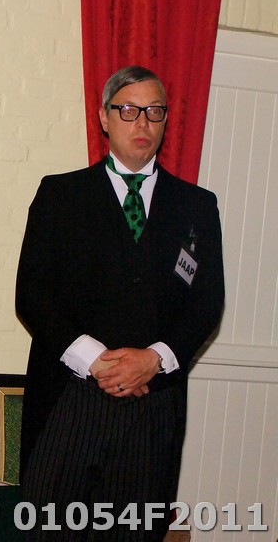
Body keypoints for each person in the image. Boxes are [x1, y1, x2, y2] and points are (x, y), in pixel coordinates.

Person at [16, 65, 224, 540]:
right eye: (128, 110)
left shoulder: (196, 206)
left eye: (154, 111)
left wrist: (155, 360)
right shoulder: (60, 195)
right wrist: (98, 361)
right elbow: (32, 293)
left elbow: (207, 303)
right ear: (104, 118)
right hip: (69, 401)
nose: (142, 123)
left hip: (153, 410)